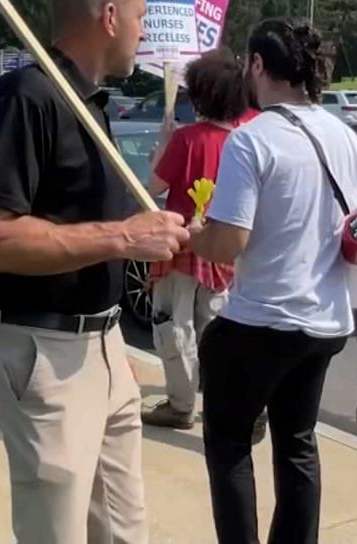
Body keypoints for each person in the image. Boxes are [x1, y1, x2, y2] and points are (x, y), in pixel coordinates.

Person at [0, 0, 187, 542]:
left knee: (123, 532)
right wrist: (121, 236)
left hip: (106, 346)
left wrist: (144, 233)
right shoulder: (25, 98)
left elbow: (83, 223)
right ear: (109, 15)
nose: (145, 32)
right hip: (45, 351)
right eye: (141, 18)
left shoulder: (89, 103)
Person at [187, 18, 357, 544]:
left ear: (259, 66)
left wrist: (198, 235)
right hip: (325, 321)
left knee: (229, 444)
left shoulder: (251, 140)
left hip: (260, 320)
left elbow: (228, 243)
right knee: (297, 442)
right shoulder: (346, 138)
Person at [141, 49, 250, 431]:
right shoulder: (243, 141)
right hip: (222, 247)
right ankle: (220, 404)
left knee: (173, 326)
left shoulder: (186, 139)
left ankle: (181, 403)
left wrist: (161, 147)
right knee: (215, 329)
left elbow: (152, 187)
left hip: (179, 244)